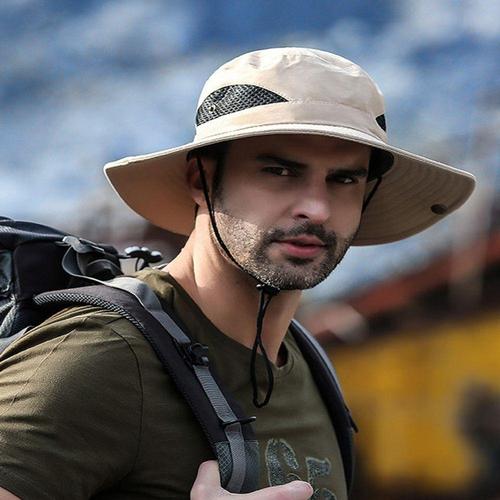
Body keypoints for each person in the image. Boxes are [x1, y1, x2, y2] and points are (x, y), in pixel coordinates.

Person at [0, 47, 475, 499]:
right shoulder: (103, 357)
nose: (316, 208)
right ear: (201, 179)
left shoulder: (308, 364)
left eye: (344, 179)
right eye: (279, 171)